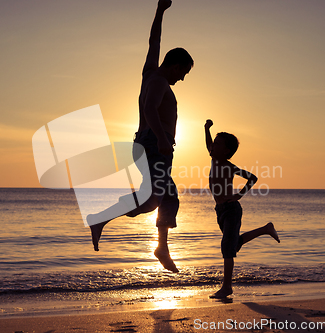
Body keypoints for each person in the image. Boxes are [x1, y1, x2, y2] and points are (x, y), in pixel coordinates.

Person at [88, 0, 193, 273]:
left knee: (159, 198)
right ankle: (108, 223)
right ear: (176, 65)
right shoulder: (158, 80)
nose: (182, 78)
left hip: (149, 144)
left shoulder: (150, 73)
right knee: (160, 197)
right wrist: (160, 138)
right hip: (151, 144)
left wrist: (160, 11)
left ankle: (155, 244)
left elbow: (153, 40)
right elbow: (149, 108)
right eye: (183, 72)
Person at [204, 119, 280, 298]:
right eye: (213, 144)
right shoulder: (214, 159)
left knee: (227, 248)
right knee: (234, 244)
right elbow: (208, 144)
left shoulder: (229, 167)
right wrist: (206, 129)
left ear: (226, 151)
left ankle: (227, 287)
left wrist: (239, 195)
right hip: (220, 211)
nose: (212, 147)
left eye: (217, 144)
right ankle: (266, 229)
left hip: (231, 210)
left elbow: (252, 178)